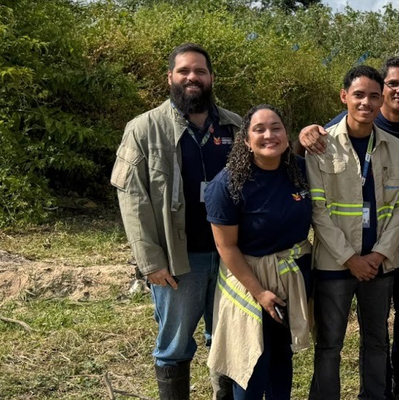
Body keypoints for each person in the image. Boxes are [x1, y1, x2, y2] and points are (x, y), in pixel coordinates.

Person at [110, 43, 238, 400]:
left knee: (227, 339)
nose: (192, 77)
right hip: (179, 261)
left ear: (211, 78)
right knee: (174, 345)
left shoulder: (236, 126)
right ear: (170, 77)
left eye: (200, 71)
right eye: (184, 71)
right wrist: (150, 261)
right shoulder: (143, 129)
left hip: (231, 258)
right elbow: (132, 199)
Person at [299, 57, 399, 399]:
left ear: (381, 100)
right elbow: (318, 211)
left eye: (373, 96)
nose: (366, 102)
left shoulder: (393, 146)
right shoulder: (322, 145)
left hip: (379, 265)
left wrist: (379, 254)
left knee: (377, 340)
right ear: (344, 96)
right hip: (334, 265)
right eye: (358, 94)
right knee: (330, 344)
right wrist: (350, 258)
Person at [205, 104, 314, 399]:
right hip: (248, 279)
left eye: (276, 128)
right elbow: (226, 246)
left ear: (286, 134)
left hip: (291, 276)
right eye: (259, 130)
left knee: (281, 356)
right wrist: (260, 292)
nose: (269, 135)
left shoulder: (300, 171)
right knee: (251, 361)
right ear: (246, 140)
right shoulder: (227, 184)